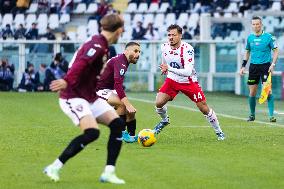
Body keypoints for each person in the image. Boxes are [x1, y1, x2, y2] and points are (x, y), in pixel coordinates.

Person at [43, 13, 126, 184]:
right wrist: (66, 81)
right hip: (73, 96)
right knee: (92, 132)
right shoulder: (96, 45)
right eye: (122, 30)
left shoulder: (102, 44)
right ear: (118, 31)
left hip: (89, 96)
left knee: (117, 124)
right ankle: (54, 167)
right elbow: (81, 63)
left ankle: (109, 172)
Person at [153, 24, 225, 141]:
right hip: (172, 80)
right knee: (159, 103)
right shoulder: (164, 47)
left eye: (174, 35)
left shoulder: (188, 49)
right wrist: (164, 68)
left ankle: (219, 132)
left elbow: (187, 71)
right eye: (169, 35)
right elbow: (164, 59)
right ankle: (165, 120)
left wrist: (169, 68)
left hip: (188, 81)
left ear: (180, 35)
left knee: (203, 108)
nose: (171, 37)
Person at [96, 42, 141, 143]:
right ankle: (121, 133)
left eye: (139, 52)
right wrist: (127, 104)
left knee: (130, 111)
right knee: (122, 104)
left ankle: (131, 137)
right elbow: (118, 85)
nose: (138, 54)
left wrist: (128, 105)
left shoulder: (124, 60)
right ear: (126, 51)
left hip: (109, 89)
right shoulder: (120, 61)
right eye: (135, 51)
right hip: (99, 89)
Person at [239, 16, 278, 122]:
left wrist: (273, 64)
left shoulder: (269, 37)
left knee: (267, 91)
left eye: (257, 24)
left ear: (261, 25)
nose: (256, 26)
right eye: (254, 24)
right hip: (253, 67)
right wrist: (243, 66)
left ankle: (271, 116)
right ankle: (252, 115)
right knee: (252, 92)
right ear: (251, 25)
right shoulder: (250, 38)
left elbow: (275, 51)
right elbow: (247, 52)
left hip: (265, 66)